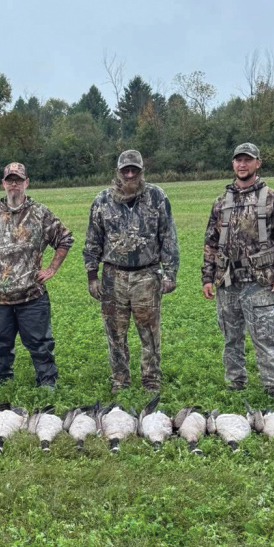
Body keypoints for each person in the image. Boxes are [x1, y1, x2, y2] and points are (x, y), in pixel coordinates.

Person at [83, 150, 179, 393]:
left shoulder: (157, 197)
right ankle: (120, 380)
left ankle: (151, 380)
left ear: (141, 171)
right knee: (115, 333)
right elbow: (92, 241)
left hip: (146, 275)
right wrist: (92, 276)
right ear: (118, 171)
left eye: (134, 170)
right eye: (125, 170)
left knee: (149, 332)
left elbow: (168, 237)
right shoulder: (102, 200)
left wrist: (170, 273)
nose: (129, 174)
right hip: (112, 277)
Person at [202, 142, 274, 396]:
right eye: (238, 160)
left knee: (265, 337)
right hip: (227, 280)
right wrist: (207, 277)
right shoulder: (221, 201)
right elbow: (210, 242)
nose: (242, 164)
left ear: (257, 163)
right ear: (233, 164)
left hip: (260, 280)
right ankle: (235, 387)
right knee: (231, 338)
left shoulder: (271, 197)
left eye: (248, 160)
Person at [0, 163, 73, 389]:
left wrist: (51, 269)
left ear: (26, 183)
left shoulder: (40, 213)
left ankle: (47, 382)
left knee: (40, 343)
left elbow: (65, 239)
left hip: (32, 295)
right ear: (3, 183)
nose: (14, 184)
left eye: (18, 180)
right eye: (10, 180)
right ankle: (0, 381)